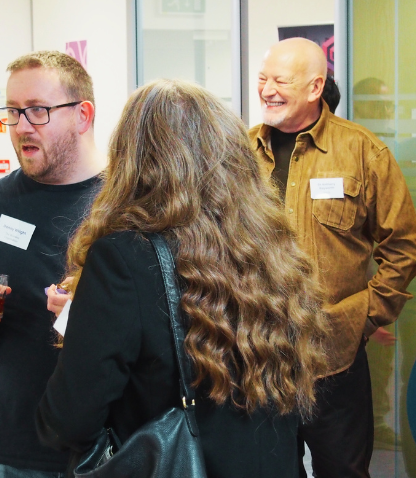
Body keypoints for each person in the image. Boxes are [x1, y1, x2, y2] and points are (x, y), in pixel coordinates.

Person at [34, 79, 331, 478]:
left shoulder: (123, 258)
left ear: (132, 161)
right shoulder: (273, 251)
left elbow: (65, 421)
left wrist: (84, 325)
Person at [250, 37, 416, 478]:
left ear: (315, 87)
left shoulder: (363, 152)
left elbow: (405, 248)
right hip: (256, 355)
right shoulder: (237, 155)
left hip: (335, 358)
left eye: (280, 81)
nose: (267, 89)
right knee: (265, 470)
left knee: (343, 472)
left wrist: (365, 316)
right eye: (262, 79)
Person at [0, 51, 104, 478]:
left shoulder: (122, 207)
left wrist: (89, 319)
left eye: (38, 111)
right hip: (3, 446)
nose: (22, 126)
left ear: (82, 115)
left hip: (98, 445)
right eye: (13, 111)